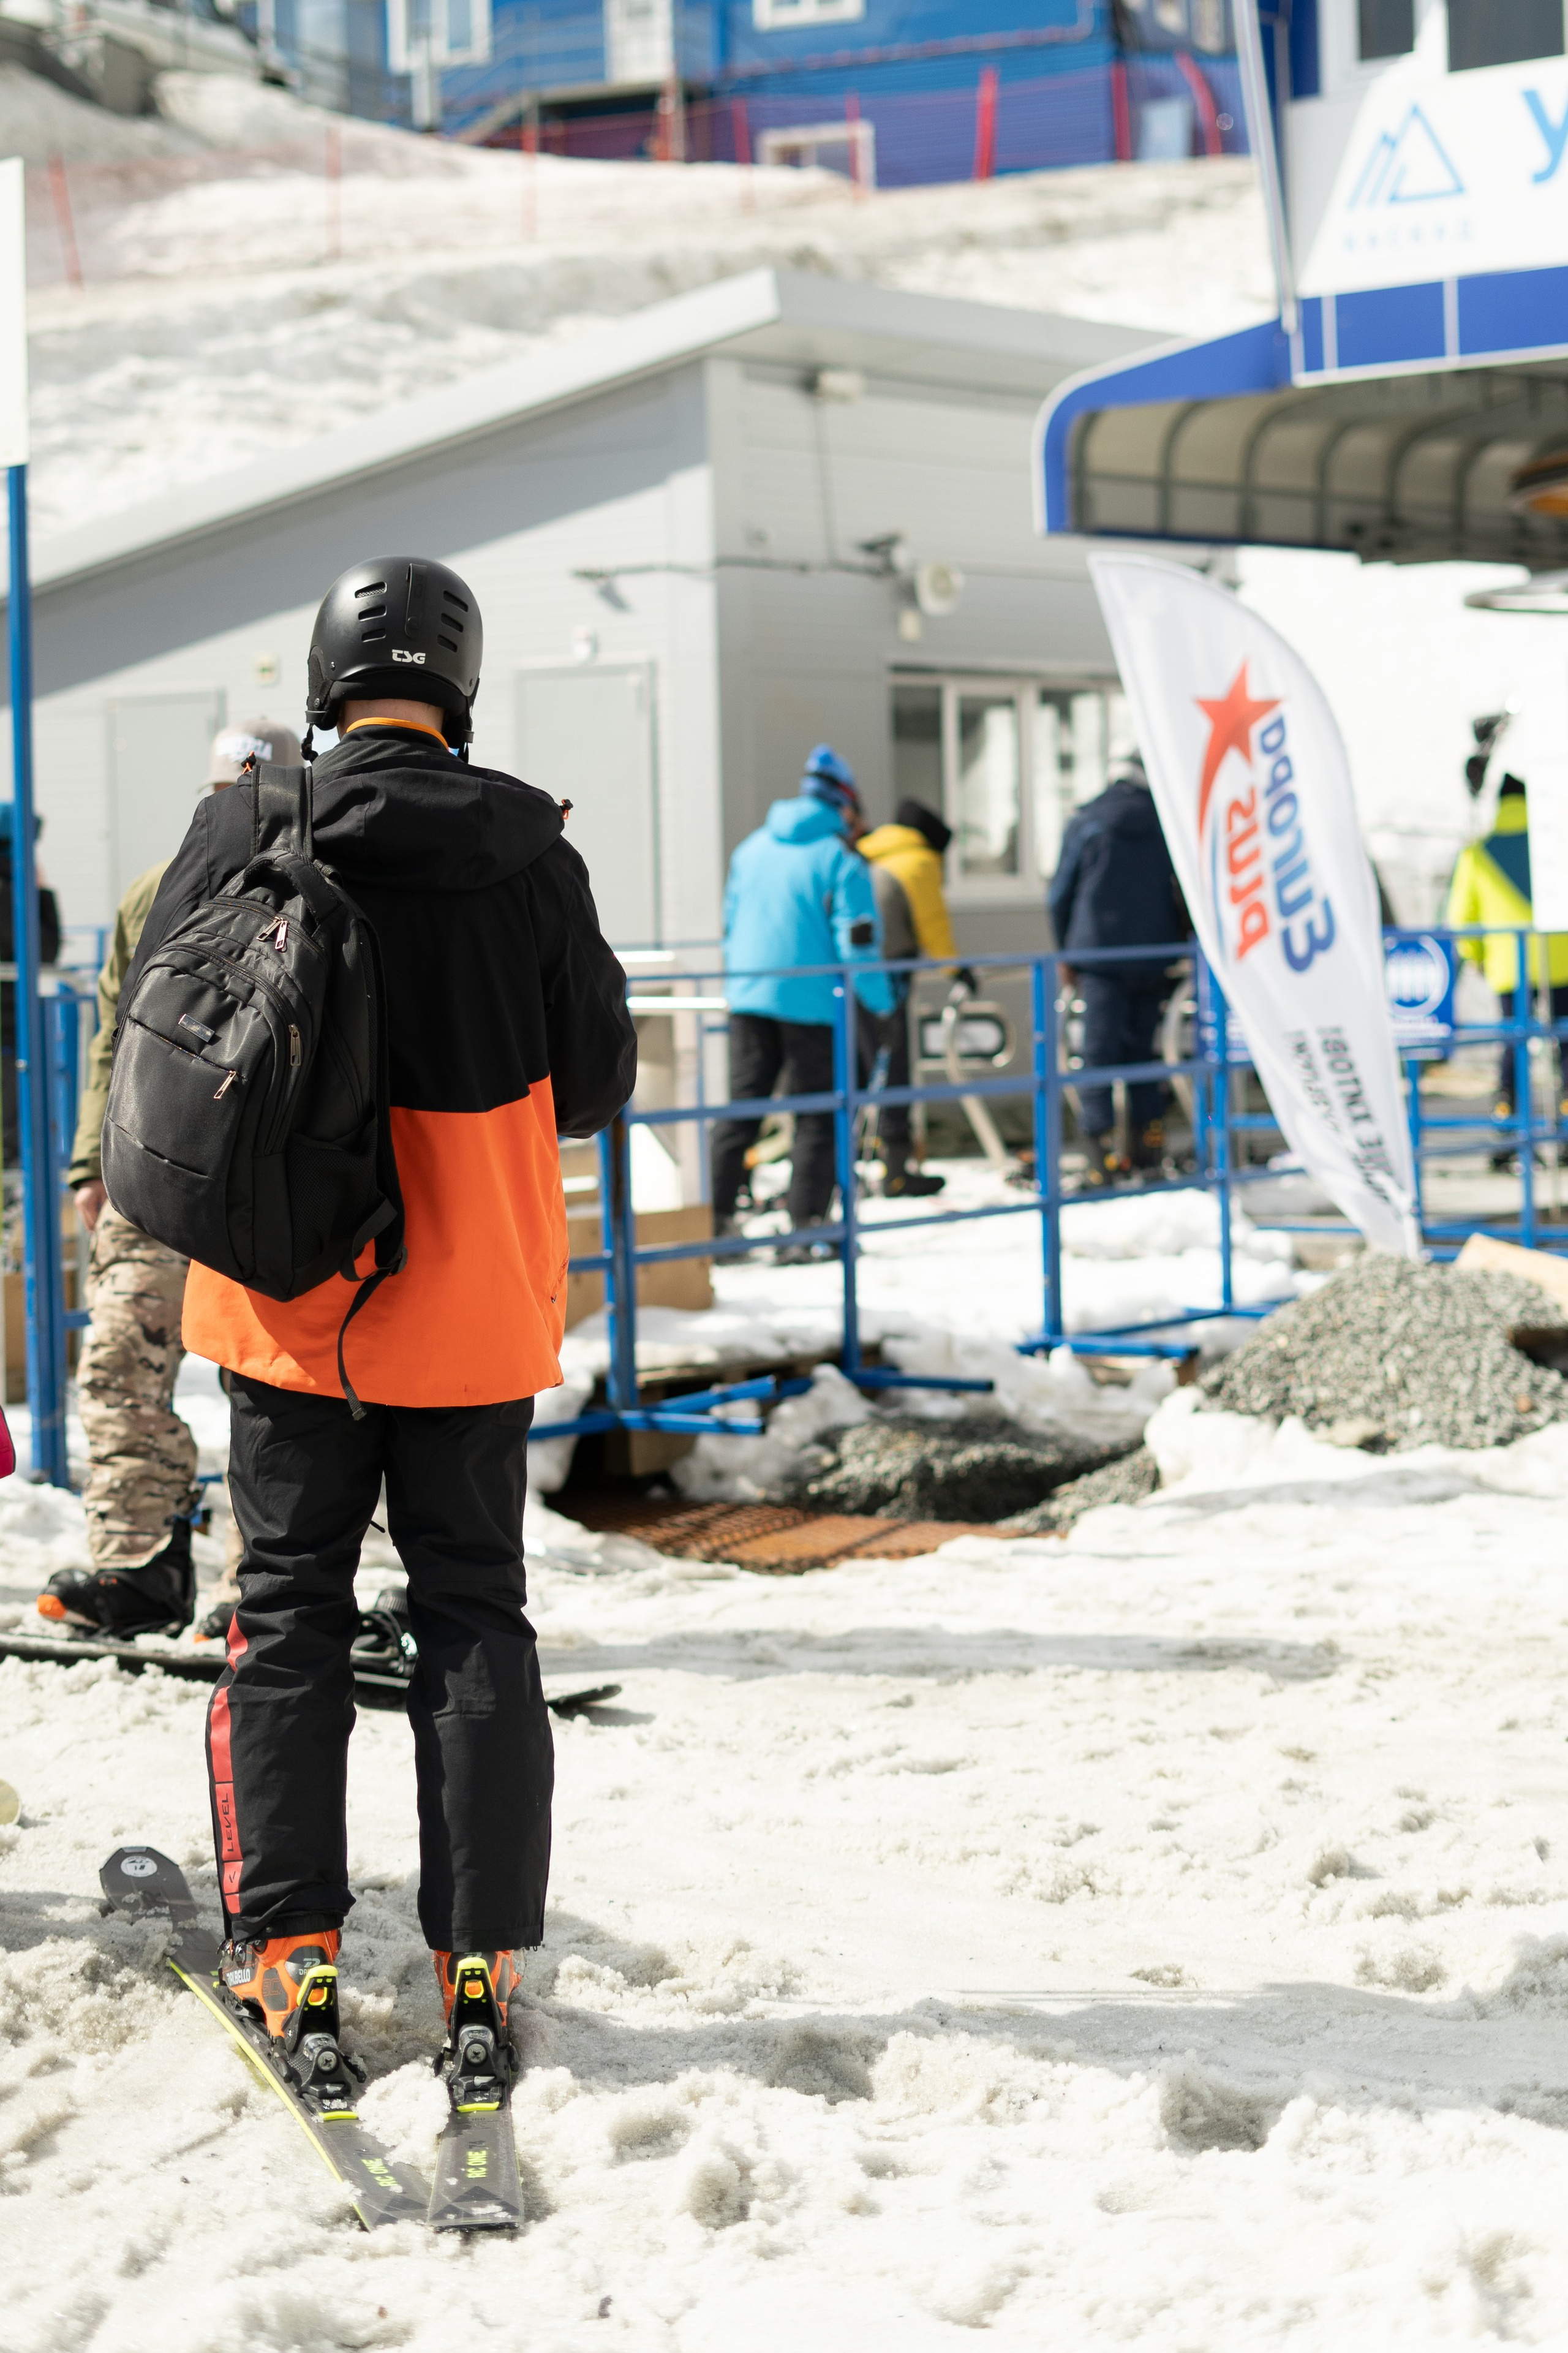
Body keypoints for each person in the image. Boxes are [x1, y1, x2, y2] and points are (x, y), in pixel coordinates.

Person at [72, 557, 636, 2052]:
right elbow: (588, 1087)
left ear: (324, 683)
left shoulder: (246, 823)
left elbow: (160, 1019)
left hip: (285, 1299)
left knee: (287, 1621)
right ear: (460, 688)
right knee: (474, 1623)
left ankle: (292, 1950)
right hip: (470, 1305)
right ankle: (481, 1967)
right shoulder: (532, 851)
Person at [46, 722, 303, 1642]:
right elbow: (115, 1038)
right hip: (151, 1170)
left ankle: (262, 1582)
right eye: (223, 789)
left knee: (269, 1384)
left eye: (258, 786)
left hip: (267, 1181)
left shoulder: (318, 891)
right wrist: (91, 1162)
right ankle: (136, 1565)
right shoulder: (153, 895)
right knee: (118, 1360)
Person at [712, 744, 895, 1258]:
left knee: (743, 1106)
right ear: (846, 805)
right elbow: (859, 945)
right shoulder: (842, 858)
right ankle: (806, 1227)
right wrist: (882, 1004)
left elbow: (730, 921)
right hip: (813, 1002)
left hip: (748, 994)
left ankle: (716, 1220)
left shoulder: (750, 848)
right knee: (818, 1111)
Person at [1047, 752, 1185, 1184]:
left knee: (1097, 1057)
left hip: (1099, 958)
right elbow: (1183, 892)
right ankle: (1148, 1149)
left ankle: (1098, 1155)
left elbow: (1060, 894)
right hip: (1153, 956)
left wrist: (1067, 952)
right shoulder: (1167, 824)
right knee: (1145, 1054)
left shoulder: (1088, 820)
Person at [1446, 768, 1568, 1162]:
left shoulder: (1478, 853)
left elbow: (1461, 920)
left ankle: (1508, 1135)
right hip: (1561, 961)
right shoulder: (1555, 847)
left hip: (1509, 968)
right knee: (1565, 1048)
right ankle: (1565, 1129)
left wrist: (1477, 958)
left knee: (1513, 1049)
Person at [857, 797, 968, 1198]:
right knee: (895, 1066)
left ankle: (844, 1165)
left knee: (855, 1068)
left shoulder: (870, 852)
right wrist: (956, 970)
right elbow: (932, 924)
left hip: (852, 972)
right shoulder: (918, 861)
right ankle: (897, 1170)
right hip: (890, 973)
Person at [0, 808, 61, 1168]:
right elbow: (45, 949)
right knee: (14, 1118)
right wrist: (42, 892)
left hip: (9, 1023)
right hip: (9, 1023)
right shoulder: (11, 890)